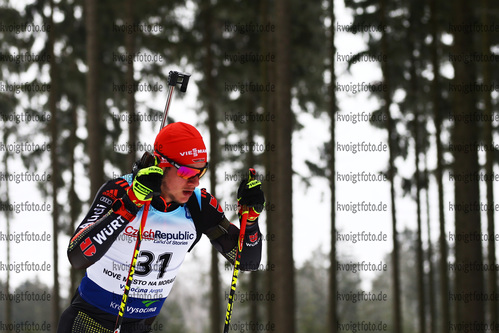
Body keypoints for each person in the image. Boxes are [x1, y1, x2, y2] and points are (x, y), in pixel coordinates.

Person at [57, 122, 265, 333]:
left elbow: (247, 261)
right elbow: (77, 256)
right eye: (186, 172)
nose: (194, 182)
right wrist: (130, 203)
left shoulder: (199, 205)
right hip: (88, 322)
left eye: (201, 172)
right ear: (162, 164)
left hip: (141, 327)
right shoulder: (120, 190)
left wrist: (250, 222)